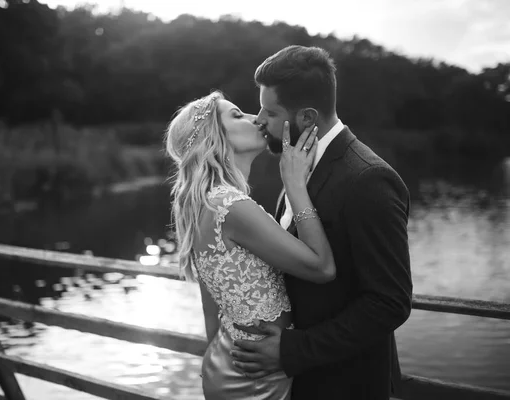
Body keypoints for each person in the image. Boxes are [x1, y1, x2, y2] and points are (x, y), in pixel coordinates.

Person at [231, 45, 413, 400]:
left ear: (308, 118)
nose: (258, 120)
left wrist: (292, 350)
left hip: (346, 384)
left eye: (270, 111)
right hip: (298, 385)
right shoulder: (295, 165)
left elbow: (389, 302)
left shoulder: (369, 179)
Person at [164, 90, 336, 400]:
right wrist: (295, 185)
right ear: (214, 137)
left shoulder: (204, 204)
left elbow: (210, 309)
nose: (254, 118)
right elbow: (322, 267)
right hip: (255, 380)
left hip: (230, 363)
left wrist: (217, 364)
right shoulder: (230, 206)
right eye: (236, 115)